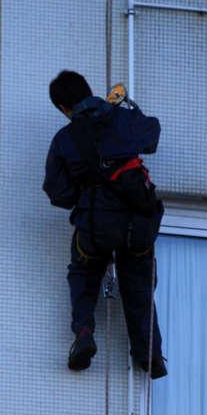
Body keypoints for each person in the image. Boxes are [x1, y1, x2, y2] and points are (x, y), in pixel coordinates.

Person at [43, 69, 166, 376]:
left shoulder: (64, 140)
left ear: (63, 108)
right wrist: (128, 108)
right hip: (137, 223)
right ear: (90, 91)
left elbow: (56, 191)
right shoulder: (120, 118)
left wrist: (84, 196)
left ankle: (84, 333)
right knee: (138, 283)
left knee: (83, 274)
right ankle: (150, 355)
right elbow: (152, 133)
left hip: (95, 225)